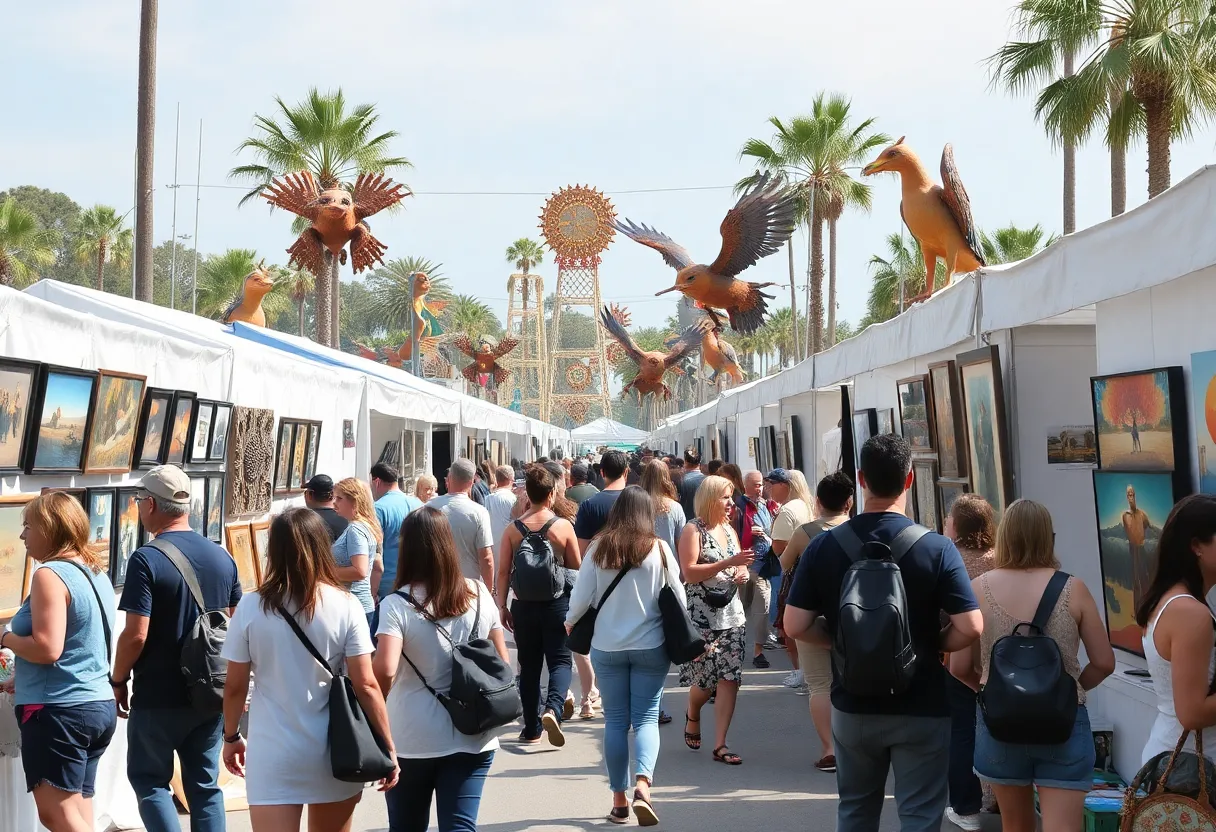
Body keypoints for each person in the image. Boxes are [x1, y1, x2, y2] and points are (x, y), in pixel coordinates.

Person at [784, 434, 982, 832]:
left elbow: (795, 625)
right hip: (922, 702)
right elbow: (971, 626)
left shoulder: (824, 547)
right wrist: (931, 645)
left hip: (853, 702)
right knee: (920, 816)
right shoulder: (937, 548)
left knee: (856, 811)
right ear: (909, 480)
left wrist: (839, 643)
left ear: (860, 479)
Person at [220, 509, 397, 831]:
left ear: (272, 550)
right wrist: (387, 745)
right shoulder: (345, 604)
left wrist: (231, 736)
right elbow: (367, 684)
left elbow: (234, 686)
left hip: (273, 751)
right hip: (335, 749)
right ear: (322, 547)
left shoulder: (250, 606)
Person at [950, 500, 1114, 832]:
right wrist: (1071, 688)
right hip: (1063, 726)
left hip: (1000, 727)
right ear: (1047, 538)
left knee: (1015, 825)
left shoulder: (977, 591)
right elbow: (1104, 662)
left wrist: (986, 692)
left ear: (1005, 537)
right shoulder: (1073, 589)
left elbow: (958, 667)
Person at [111, 465, 241, 832]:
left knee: (150, 782)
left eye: (138, 501)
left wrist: (118, 678)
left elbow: (136, 635)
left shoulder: (146, 559)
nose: (138, 507)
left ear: (150, 504)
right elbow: (235, 626)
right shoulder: (222, 556)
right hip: (209, 694)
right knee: (204, 787)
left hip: (157, 693)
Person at [375, 507, 507, 831]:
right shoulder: (478, 593)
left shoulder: (396, 605)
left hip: (411, 736)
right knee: (460, 826)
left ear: (406, 549)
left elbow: (385, 670)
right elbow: (502, 662)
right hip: (473, 732)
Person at [567, 487, 684, 826]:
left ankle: (619, 801)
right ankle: (643, 786)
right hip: (651, 646)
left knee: (616, 722)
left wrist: (571, 621)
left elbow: (580, 598)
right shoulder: (659, 549)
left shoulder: (599, 549)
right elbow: (678, 597)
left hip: (607, 646)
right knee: (646, 718)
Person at [0, 493, 116, 832]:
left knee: (56, 815)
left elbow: (48, 648)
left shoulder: (49, 574)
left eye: (27, 526)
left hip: (60, 710)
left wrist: (5, 638)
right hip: (94, 704)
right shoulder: (94, 572)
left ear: (49, 529)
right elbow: (80, 644)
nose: (23, 536)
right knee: (78, 814)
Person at [495, 466, 581, 746]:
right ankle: (553, 709)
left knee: (529, 666)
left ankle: (531, 728)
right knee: (559, 660)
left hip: (523, 606)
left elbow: (503, 572)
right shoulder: (563, 526)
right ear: (552, 494)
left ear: (527, 495)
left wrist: (502, 606)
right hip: (557, 605)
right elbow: (575, 569)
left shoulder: (512, 529)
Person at [777, 471, 854, 772]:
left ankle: (829, 749)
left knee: (820, 684)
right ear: (850, 502)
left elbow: (783, 565)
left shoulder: (806, 532)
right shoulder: (860, 531)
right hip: (852, 615)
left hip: (810, 614)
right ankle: (853, 745)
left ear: (818, 501)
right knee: (850, 679)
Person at [678, 475, 755, 766]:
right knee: (706, 681)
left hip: (732, 615)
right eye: (725, 497)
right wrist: (728, 564)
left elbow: (740, 567)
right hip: (702, 617)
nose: (731, 503)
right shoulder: (692, 530)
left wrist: (742, 574)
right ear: (710, 499)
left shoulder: (729, 530)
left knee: (729, 678)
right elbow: (689, 573)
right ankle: (693, 711)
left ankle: (720, 744)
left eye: (731, 496)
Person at [1135, 494, 1216, 764]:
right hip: (1192, 775)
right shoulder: (1189, 612)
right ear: (1196, 546)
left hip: (1179, 761)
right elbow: (1191, 713)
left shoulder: (1171, 600)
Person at [941, 493, 998, 829]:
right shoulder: (999, 559)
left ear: (957, 524)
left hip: (959, 653)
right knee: (996, 727)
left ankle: (966, 807)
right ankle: (996, 797)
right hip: (1000, 654)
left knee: (962, 731)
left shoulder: (950, 558)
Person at [768, 468, 814, 657]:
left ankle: (798, 671)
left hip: (791, 570)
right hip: (806, 567)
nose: (768, 488)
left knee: (788, 625)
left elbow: (778, 546)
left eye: (771, 484)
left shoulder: (787, 510)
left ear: (785, 485)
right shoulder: (804, 505)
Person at [734, 469, 777, 669]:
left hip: (762, 566)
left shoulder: (767, 506)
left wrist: (768, 531)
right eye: (757, 484)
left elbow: (772, 532)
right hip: (743, 564)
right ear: (746, 486)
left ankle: (758, 650)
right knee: (740, 609)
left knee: (763, 608)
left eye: (762, 484)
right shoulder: (738, 506)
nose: (761, 488)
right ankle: (736, 647)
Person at [429, 459, 495, 587]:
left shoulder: (428, 507)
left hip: (436, 586)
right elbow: (486, 558)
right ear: (472, 482)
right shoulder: (479, 512)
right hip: (468, 587)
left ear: (449, 478)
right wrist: (488, 591)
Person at [332, 477, 383, 625]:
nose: (334, 503)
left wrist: (323, 571)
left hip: (355, 605)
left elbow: (360, 571)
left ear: (354, 501)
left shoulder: (356, 529)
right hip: (357, 604)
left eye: (339, 498)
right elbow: (377, 565)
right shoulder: (359, 526)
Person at [370, 463, 422, 604]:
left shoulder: (378, 509)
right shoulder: (418, 504)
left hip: (387, 585)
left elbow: (375, 553)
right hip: (417, 580)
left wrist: (372, 591)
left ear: (377, 481)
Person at [640, 458, 687, 555]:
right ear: (666, 477)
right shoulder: (675, 507)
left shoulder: (637, 504)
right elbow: (680, 541)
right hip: (669, 563)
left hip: (642, 562)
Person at [485, 464, 519, 560]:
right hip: (508, 547)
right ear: (511, 479)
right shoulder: (513, 499)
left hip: (491, 547)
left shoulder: (487, 499)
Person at [303, 474, 348, 542]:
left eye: (306, 492)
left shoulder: (302, 522)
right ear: (333, 494)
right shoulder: (347, 519)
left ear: (310, 495)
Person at [677, 448, 704, 520]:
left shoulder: (681, 481)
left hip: (688, 523)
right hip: (707, 525)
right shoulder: (710, 481)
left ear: (685, 461)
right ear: (699, 462)